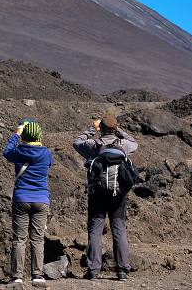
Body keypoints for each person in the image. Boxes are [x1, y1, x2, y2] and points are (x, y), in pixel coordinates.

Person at [72, 114, 138, 281]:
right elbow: (135, 142)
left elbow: (76, 142)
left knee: (95, 231)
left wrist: (92, 129)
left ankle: (93, 270)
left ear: (100, 128)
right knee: (119, 230)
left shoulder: (93, 145)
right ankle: (122, 270)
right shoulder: (123, 145)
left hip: (97, 194)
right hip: (118, 195)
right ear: (115, 128)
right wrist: (119, 131)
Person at [3, 119, 53, 288]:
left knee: (19, 239)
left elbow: (6, 151)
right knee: (38, 239)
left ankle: (17, 277)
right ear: (39, 135)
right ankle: (37, 275)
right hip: (41, 200)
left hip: (21, 199)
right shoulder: (46, 153)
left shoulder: (18, 152)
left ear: (24, 135)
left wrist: (16, 134)